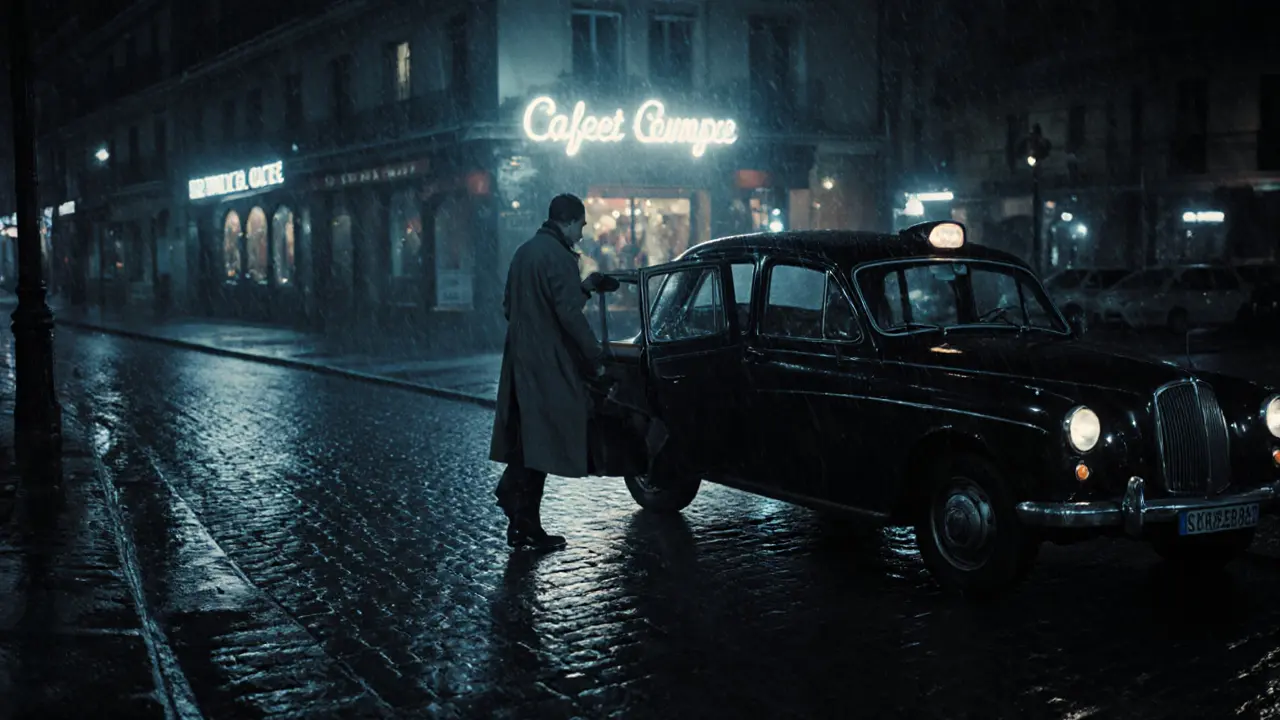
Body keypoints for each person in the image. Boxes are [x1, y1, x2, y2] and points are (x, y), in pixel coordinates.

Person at [490, 194, 619, 551]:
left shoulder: (524, 253)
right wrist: (595, 356)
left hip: (520, 359)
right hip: (547, 361)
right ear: (568, 221)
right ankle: (521, 512)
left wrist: (582, 289)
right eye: (581, 224)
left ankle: (522, 521)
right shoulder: (559, 256)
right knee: (546, 440)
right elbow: (568, 315)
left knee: (530, 440)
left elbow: (509, 306)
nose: (583, 232)